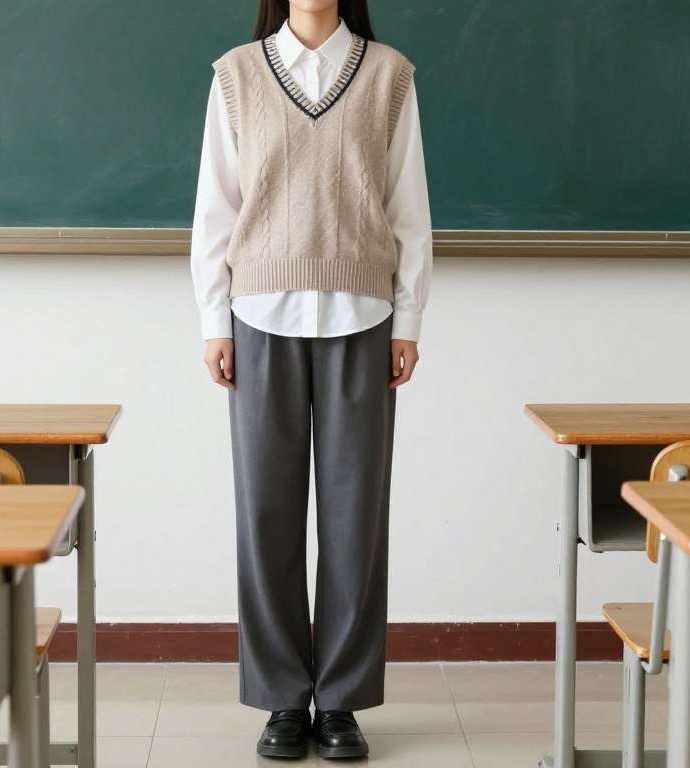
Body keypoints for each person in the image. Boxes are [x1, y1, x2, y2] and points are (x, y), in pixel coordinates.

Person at [190, 0, 432, 759]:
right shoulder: (236, 75)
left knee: (355, 521)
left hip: (362, 317)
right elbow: (215, 210)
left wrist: (409, 321)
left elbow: (410, 209)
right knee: (265, 515)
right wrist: (213, 321)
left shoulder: (389, 75)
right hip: (261, 316)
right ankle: (281, 700)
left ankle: (343, 703)